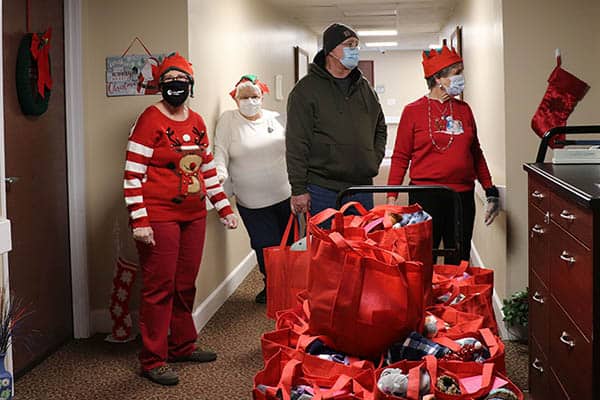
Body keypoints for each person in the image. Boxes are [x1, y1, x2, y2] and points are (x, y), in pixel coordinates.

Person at [123, 52, 238, 386]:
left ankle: (183, 345)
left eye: (182, 82)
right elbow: (133, 174)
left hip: (194, 214)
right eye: (170, 82)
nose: (177, 87)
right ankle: (153, 359)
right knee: (159, 287)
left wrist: (224, 207)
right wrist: (139, 220)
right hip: (158, 215)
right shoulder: (149, 119)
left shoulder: (198, 121)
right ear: (161, 86)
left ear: (191, 85)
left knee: (185, 284)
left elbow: (207, 171)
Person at [386, 45, 500, 265]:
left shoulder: (464, 110)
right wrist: (392, 198)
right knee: (421, 258)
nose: (461, 78)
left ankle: (454, 298)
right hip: (424, 196)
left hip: (461, 196)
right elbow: (400, 156)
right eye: (456, 73)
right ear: (438, 77)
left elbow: (475, 153)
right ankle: (424, 299)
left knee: (459, 257)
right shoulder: (413, 111)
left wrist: (490, 189)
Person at [286, 23, 387, 216]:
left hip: (361, 187)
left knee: (362, 244)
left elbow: (380, 127)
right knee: (327, 244)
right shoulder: (305, 90)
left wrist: (373, 159)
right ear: (331, 50)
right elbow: (297, 143)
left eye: (356, 45)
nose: (355, 50)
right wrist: (298, 189)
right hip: (323, 188)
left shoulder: (364, 87)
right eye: (349, 44)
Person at [213, 74, 291, 304]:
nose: (249, 101)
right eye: (244, 97)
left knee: (288, 244)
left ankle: (289, 284)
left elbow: (293, 151)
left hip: (285, 194)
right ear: (236, 100)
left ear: (262, 97)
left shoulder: (276, 119)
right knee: (264, 245)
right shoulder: (228, 121)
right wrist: (219, 174)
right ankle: (272, 285)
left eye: (254, 96)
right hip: (251, 200)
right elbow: (220, 151)